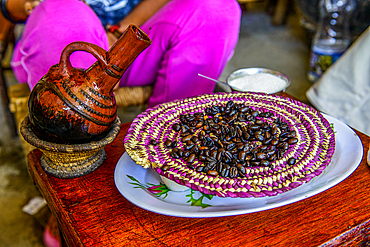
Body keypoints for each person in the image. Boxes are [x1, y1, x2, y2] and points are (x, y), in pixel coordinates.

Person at [8, 0, 242, 108]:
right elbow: (10, 6)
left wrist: (121, 36)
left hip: (127, 37)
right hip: (60, 47)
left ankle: (172, 143)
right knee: (65, 14)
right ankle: (71, 171)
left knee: (216, 7)